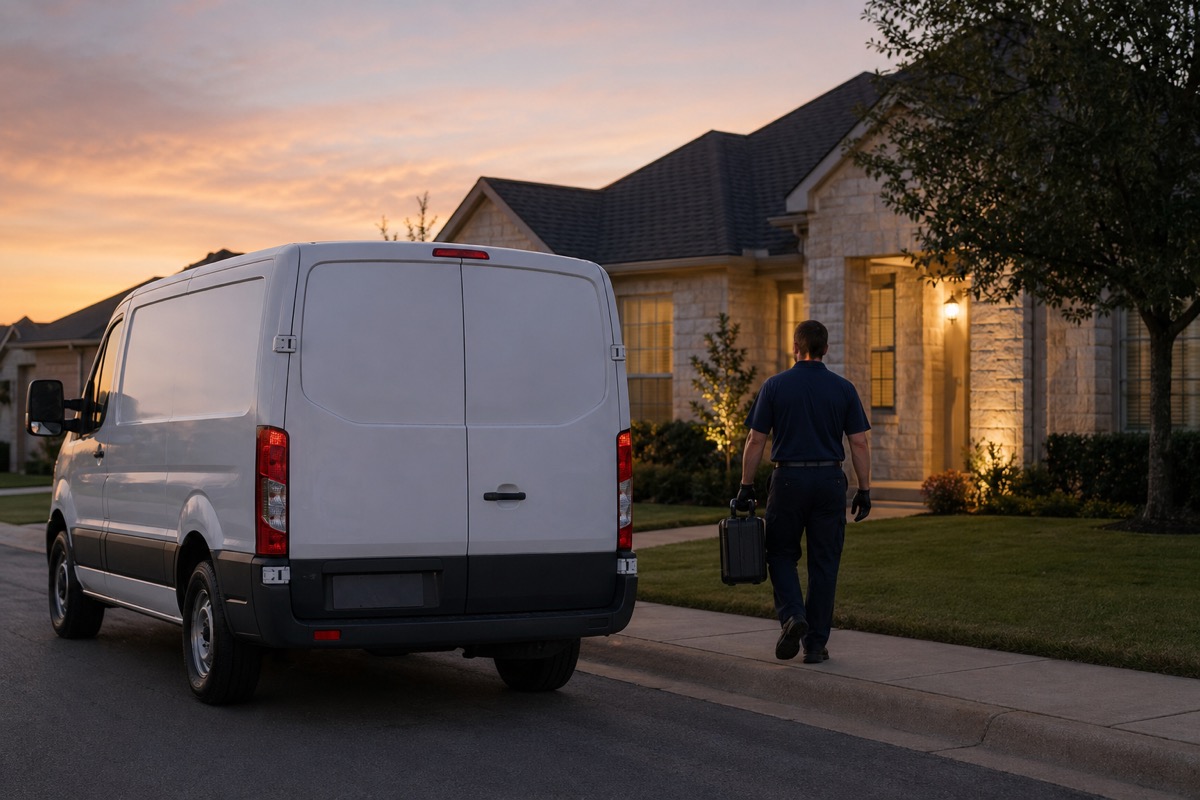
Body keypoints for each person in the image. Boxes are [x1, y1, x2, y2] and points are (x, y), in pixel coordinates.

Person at [736, 320, 872, 663]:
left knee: (780, 554)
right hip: (829, 481)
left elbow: (756, 440)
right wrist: (864, 489)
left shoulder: (775, 386)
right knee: (824, 564)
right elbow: (858, 442)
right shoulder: (843, 388)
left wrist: (746, 486)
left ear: (795, 348)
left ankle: (793, 615)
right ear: (826, 349)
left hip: (788, 481)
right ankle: (814, 645)